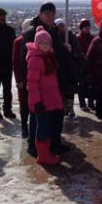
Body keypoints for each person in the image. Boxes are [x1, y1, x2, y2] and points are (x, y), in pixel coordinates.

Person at [20, 3, 68, 157]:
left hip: (54, 79)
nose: (50, 16)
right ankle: (34, 146)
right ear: (40, 14)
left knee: (56, 114)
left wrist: (65, 49)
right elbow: (24, 58)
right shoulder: (31, 32)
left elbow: (57, 52)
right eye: (47, 13)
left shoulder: (54, 30)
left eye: (53, 13)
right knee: (37, 115)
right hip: (38, 81)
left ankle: (55, 143)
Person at [26, 26, 64, 165]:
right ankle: (43, 156)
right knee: (42, 128)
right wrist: (37, 103)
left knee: (48, 127)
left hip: (51, 98)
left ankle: (47, 152)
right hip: (42, 101)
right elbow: (32, 84)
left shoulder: (48, 57)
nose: (45, 46)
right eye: (42, 43)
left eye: (47, 43)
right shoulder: (36, 60)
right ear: (37, 44)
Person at [55, 18, 82, 118]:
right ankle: (63, 107)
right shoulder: (54, 37)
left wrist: (71, 50)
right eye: (59, 26)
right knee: (61, 89)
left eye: (63, 26)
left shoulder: (71, 36)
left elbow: (78, 50)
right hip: (59, 68)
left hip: (70, 68)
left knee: (70, 90)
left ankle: (70, 107)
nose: (61, 28)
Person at [13, 19, 34, 137]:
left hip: (34, 76)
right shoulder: (18, 42)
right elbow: (16, 62)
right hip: (24, 76)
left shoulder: (36, 40)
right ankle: (24, 127)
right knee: (24, 104)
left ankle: (32, 126)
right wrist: (19, 79)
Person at [76, 19, 96, 112]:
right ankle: (82, 104)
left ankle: (91, 103)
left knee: (91, 84)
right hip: (80, 65)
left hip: (91, 64)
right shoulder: (77, 38)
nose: (87, 29)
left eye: (88, 27)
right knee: (81, 85)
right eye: (85, 27)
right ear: (81, 28)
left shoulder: (93, 38)